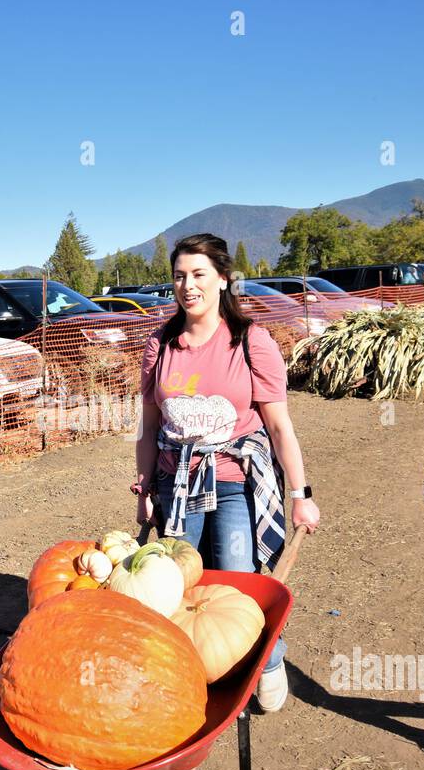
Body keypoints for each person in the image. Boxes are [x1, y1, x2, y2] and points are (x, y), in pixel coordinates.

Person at [134, 233, 320, 712]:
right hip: (176, 482)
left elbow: (278, 426)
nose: (187, 285)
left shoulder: (250, 342)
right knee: (173, 586)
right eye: (179, 276)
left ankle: (270, 661)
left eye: (198, 274)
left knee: (238, 579)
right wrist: (144, 487)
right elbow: (148, 426)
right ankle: (187, 672)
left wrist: (300, 493)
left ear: (222, 279)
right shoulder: (161, 345)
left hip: (235, 480)